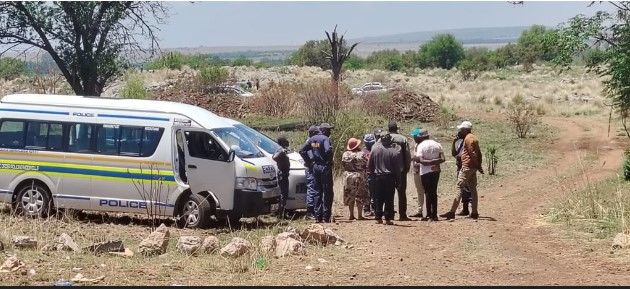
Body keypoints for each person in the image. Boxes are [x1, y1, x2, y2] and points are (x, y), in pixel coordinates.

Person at [441, 121, 483, 220]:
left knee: (459, 187)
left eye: (461, 129)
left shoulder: (468, 139)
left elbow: (472, 153)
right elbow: (479, 153)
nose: (460, 131)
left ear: (465, 130)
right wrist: (478, 166)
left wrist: (476, 164)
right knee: (473, 189)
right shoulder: (474, 137)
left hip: (467, 166)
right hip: (472, 167)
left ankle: (452, 212)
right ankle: (474, 212)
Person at [299, 123, 334, 223]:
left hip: (315, 167)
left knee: (317, 191)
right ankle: (326, 216)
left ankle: (318, 216)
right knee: (327, 192)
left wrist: (310, 163)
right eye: (328, 130)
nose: (330, 132)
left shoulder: (312, 139)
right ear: (323, 130)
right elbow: (328, 151)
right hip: (324, 167)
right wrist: (329, 161)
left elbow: (302, 151)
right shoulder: (325, 139)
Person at [367, 132, 401, 225]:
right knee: (389, 198)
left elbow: (369, 165)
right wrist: (398, 181)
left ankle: (378, 217)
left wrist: (372, 175)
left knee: (378, 197)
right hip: (389, 178)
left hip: (377, 177)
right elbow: (397, 169)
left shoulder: (374, 149)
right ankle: (387, 218)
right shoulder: (393, 151)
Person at [412, 129, 445, 221]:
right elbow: (443, 158)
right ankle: (434, 214)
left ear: (420, 137)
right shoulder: (437, 144)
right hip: (436, 171)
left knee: (427, 192)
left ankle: (428, 214)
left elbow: (421, 160)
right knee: (434, 192)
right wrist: (434, 161)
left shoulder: (421, 146)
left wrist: (428, 162)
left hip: (425, 172)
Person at [387, 121, 411, 221]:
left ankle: (390, 215)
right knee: (401, 193)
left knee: (389, 193)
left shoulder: (384, 138)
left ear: (388, 129)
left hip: (388, 170)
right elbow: (407, 155)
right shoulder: (403, 139)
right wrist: (407, 167)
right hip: (400, 170)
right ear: (397, 128)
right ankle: (402, 215)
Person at [342, 138, 369, 220]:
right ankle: (360, 215)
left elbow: (343, 164)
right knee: (359, 195)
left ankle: (351, 215)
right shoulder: (361, 154)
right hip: (358, 176)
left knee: (350, 195)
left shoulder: (345, 154)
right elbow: (366, 163)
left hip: (348, 176)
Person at [452, 127, 472, 216]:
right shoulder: (458, 142)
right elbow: (454, 153)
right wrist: (453, 142)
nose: (458, 133)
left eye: (460, 131)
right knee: (464, 187)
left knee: (465, 187)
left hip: (465, 165)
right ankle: (465, 209)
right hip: (459, 165)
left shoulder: (468, 141)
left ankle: (467, 208)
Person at [303, 125, 320, 220]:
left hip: (313, 167)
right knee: (311, 188)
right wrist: (310, 162)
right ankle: (310, 212)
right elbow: (303, 151)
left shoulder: (313, 142)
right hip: (310, 168)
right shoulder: (309, 142)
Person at [272, 136, 291, 217]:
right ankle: (281, 213)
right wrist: (282, 152)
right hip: (282, 174)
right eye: (285, 141)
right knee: (284, 193)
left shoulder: (282, 150)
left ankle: (281, 211)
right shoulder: (280, 150)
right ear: (282, 142)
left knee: (284, 193)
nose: (287, 142)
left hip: (284, 173)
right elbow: (274, 157)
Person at [409, 128, 425, 219]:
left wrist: (414, 159)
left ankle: (425, 210)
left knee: (424, 190)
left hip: (422, 170)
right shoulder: (416, 145)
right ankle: (420, 210)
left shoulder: (422, 145)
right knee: (419, 191)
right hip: (416, 170)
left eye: (415, 136)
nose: (414, 138)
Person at [362, 133, 377, 216]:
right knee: (367, 192)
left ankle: (374, 208)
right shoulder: (363, 151)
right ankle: (367, 208)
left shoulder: (375, 150)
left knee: (374, 192)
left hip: (373, 174)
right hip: (366, 174)